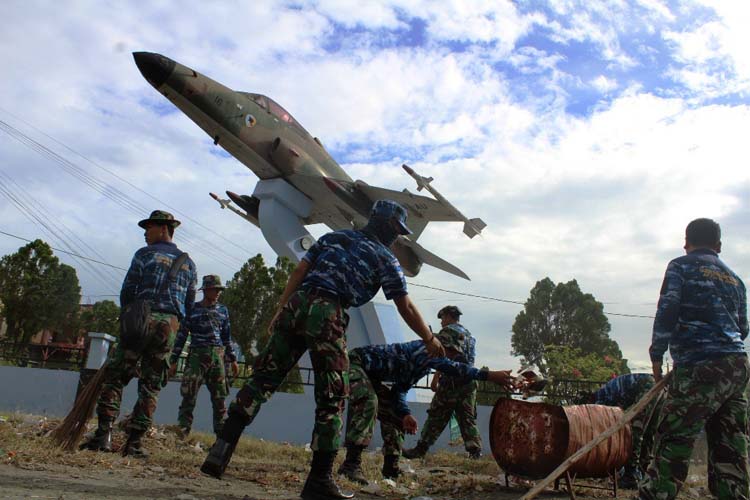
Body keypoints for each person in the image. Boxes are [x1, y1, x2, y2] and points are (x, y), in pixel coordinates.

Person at [200, 200, 445, 500]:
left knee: (261, 380)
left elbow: (299, 272)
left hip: (297, 304)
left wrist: (281, 309)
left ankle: (218, 454)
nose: (398, 237)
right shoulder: (385, 258)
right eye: (398, 231)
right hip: (328, 314)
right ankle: (319, 480)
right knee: (333, 396)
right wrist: (430, 339)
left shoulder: (334, 238)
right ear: (390, 227)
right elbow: (404, 306)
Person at [639, 218, 749, 500]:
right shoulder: (736, 280)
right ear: (719, 246)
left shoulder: (680, 266)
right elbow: (743, 327)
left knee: (672, 441)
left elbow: (668, 308)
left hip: (700, 367)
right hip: (736, 367)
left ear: (686, 243)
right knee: (731, 450)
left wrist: (656, 354)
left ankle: (657, 495)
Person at [80, 210, 197, 457]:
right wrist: (175, 343)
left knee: (115, 377)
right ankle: (134, 443)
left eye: (149, 227)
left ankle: (104, 435)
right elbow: (188, 308)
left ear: (165, 228)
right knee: (151, 387)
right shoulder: (188, 263)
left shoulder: (144, 254)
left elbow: (128, 291)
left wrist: (128, 321)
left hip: (141, 320)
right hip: (170, 326)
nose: (145, 233)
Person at [337, 331, 513, 485]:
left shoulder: (421, 366)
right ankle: (351, 465)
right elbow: (453, 368)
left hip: (371, 377)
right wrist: (488, 375)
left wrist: (405, 414)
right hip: (355, 363)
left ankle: (391, 467)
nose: (450, 356)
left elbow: (399, 391)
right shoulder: (423, 349)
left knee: (396, 414)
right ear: (440, 344)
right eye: (449, 351)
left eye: (453, 353)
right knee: (369, 401)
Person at [402, 305, 483, 460]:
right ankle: (475, 452)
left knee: (436, 416)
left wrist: (435, 378)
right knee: (467, 418)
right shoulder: (469, 336)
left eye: (442, 318)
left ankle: (420, 449)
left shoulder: (449, 332)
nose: (441, 322)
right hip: (467, 381)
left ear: (448, 317)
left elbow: (441, 353)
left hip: (452, 382)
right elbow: (455, 357)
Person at [169, 274, 239, 438]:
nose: (218, 292)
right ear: (206, 290)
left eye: (219, 290)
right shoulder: (193, 309)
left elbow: (227, 336)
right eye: (215, 289)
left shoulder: (223, 311)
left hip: (217, 357)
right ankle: (182, 432)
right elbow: (182, 335)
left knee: (220, 398)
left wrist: (233, 359)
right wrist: (173, 360)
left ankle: (221, 437)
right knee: (189, 396)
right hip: (196, 356)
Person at [578, 373, 662, 488]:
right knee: (648, 432)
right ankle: (642, 473)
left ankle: (630, 476)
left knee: (634, 430)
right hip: (657, 386)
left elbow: (603, 427)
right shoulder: (604, 393)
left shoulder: (599, 402)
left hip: (646, 387)